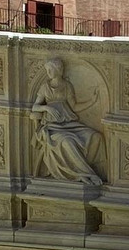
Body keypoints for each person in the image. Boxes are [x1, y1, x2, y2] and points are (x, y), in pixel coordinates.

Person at [30, 58, 106, 186]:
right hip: (52, 128)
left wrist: (92, 101)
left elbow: (74, 106)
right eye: (47, 70)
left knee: (95, 136)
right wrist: (46, 107)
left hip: (69, 125)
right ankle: (84, 174)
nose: (48, 72)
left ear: (58, 70)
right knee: (67, 141)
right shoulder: (45, 87)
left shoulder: (67, 86)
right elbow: (35, 107)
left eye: (50, 69)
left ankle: (95, 170)